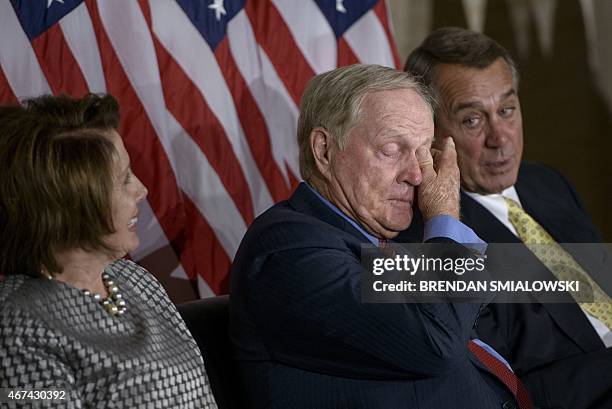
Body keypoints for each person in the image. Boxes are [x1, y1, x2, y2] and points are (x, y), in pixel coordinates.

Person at [229, 64, 528, 408]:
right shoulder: (287, 249)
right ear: (324, 151)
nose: (417, 175)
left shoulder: (381, 244)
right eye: (391, 149)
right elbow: (436, 344)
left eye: (424, 152)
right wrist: (444, 216)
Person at [402, 27, 612, 409]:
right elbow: (504, 391)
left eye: (507, 110)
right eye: (472, 120)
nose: (500, 138)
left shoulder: (546, 182)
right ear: (429, 133)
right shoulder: (429, 239)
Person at [0, 94, 217, 408]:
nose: (141, 190)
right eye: (124, 179)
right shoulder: (16, 326)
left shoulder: (136, 280)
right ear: (69, 205)